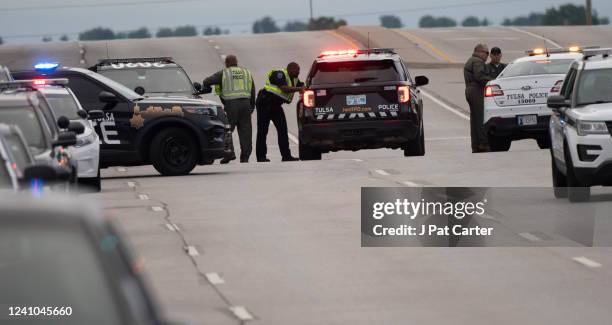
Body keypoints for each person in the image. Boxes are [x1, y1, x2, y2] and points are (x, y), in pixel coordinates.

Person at [202, 55, 255, 163]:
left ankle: (229, 154)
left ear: (226, 63)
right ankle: (245, 157)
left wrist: (209, 87)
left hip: (232, 105)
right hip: (245, 104)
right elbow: (252, 89)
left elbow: (206, 81)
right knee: (246, 131)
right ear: (236, 62)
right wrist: (252, 106)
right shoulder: (246, 72)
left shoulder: (224, 73)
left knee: (227, 130)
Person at [255, 62, 304, 162]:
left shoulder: (295, 79)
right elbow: (284, 88)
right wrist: (300, 89)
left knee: (282, 130)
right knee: (263, 131)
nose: (299, 72)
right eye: (297, 69)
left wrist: (305, 87)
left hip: (276, 105)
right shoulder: (280, 74)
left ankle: (286, 156)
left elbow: (303, 86)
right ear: (290, 69)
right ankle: (261, 157)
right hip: (265, 102)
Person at [464, 44, 493, 153]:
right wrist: (493, 81)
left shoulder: (471, 60)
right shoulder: (477, 61)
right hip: (476, 90)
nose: (487, 56)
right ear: (479, 51)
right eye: (486, 53)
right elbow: (480, 76)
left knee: (475, 119)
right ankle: (483, 144)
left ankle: (476, 145)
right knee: (480, 118)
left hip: (470, 90)